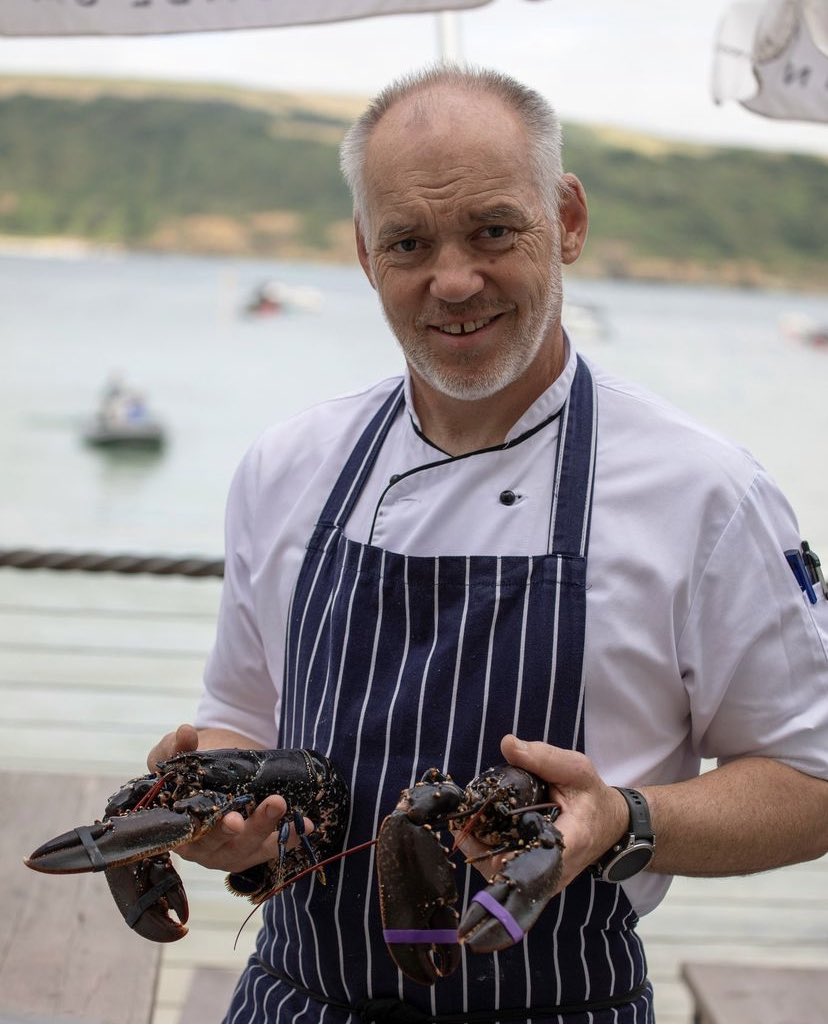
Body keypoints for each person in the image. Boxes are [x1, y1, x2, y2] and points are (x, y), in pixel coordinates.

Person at [148, 65, 828, 1023]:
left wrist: (628, 819)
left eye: (494, 231)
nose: (454, 279)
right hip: (294, 1001)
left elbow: (812, 778)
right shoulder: (284, 466)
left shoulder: (705, 491)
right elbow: (238, 716)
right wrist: (226, 819)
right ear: (362, 251)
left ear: (571, 220)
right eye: (410, 241)